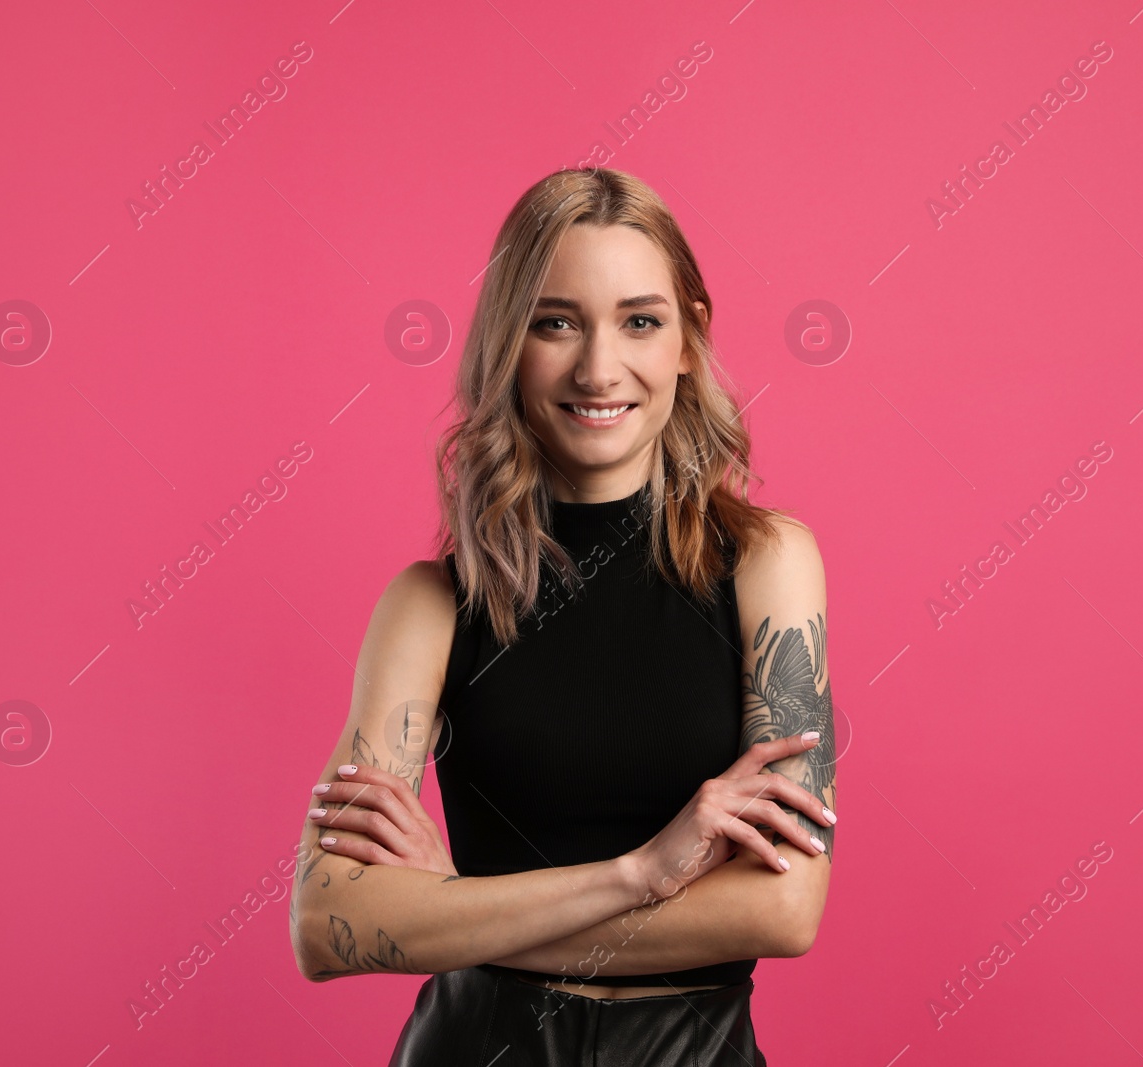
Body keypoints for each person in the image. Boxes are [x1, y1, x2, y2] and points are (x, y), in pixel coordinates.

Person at [289, 167, 838, 1066]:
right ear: (510, 342)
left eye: (639, 320)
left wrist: (456, 908)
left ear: (690, 338)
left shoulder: (768, 564)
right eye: (555, 322)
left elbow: (781, 908)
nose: (597, 368)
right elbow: (327, 922)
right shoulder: (429, 605)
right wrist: (641, 872)